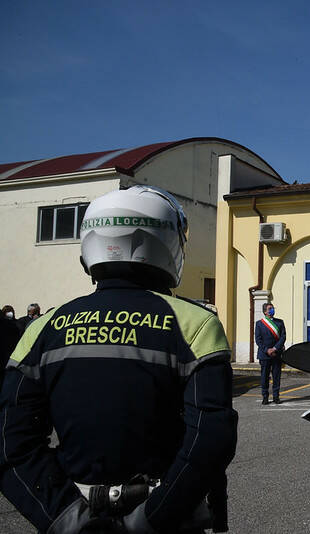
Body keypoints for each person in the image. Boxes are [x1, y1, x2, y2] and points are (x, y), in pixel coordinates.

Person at [0, 185, 238, 533]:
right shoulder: (196, 324)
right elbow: (210, 442)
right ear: (169, 242)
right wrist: (149, 519)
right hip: (166, 520)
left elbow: (10, 444)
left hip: (72, 512)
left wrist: (67, 519)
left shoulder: (43, 327)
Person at [255, 302, 286, 405]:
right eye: (270, 309)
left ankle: (276, 396)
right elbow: (258, 340)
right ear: (265, 311)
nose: (272, 310)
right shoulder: (259, 324)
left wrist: (275, 348)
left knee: (276, 376)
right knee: (264, 377)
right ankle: (265, 397)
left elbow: (283, 337)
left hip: (277, 354)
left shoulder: (280, 322)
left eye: (272, 308)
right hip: (265, 355)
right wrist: (267, 350)